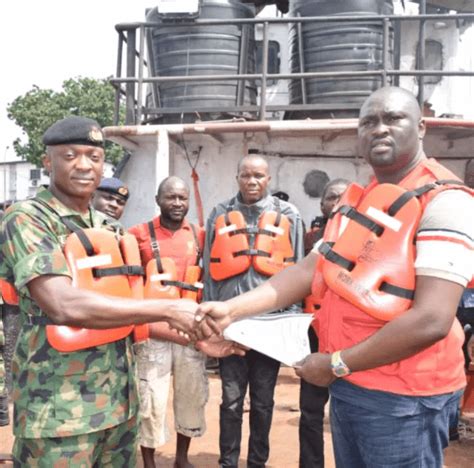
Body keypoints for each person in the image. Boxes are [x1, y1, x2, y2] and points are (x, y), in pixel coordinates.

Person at [194, 87, 474, 467]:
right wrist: (230, 310)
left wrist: (337, 364)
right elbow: (311, 268)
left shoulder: (446, 201)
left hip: (404, 400)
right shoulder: (359, 199)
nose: (379, 129)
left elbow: (432, 319)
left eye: (393, 119)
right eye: (368, 122)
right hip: (351, 385)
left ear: (421, 127)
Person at [0, 116, 198, 466]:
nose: (84, 165)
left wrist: (194, 335)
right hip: (58, 410)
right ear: (48, 162)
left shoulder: (111, 228)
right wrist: (168, 310)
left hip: (119, 407)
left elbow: (129, 310)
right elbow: (62, 304)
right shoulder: (27, 218)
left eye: (93, 156)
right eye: (70, 155)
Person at [202, 153, 304, 468]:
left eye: (258, 175)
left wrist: (293, 323)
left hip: (271, 324)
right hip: (231, 325)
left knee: (263, 402)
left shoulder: (288, 214)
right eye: (246, 175)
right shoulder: (220, 213)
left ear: (268, 179)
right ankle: (227, 462)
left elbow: (299, 270)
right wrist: (210, 322)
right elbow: (208, 271)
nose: (252, 181)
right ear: (237, 177)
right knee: (231, 401)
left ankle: (257, 462)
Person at [128, 176, 209, 468]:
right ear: (157, 199)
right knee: (151, 399)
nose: (177, 203)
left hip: (190, 332)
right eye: (171, 197)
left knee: (190, 396)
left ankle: (182, 458)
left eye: (183, 198)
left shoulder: (200, 235)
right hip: (154, 333)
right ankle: (149, 462)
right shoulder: (137, 234)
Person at [301, 178, 349, 468]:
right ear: (322, 204)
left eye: (344, 197)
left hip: (352, 338)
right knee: (310, 410)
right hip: (315, 331)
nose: (338, 202)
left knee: (353, 409)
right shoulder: (311, 240)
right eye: (332, 197)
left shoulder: (371, 241)